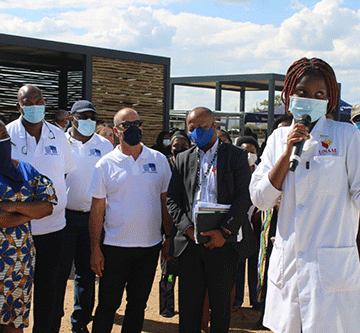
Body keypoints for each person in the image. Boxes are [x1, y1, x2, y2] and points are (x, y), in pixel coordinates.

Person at [250, 57, 360, 333]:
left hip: (331, 268)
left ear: (329, 99)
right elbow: (260, 199)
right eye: (302, 93)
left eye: (319, 94)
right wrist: (287, 153)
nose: (310, 99)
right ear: (289, 95)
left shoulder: (345, 135)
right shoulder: (278, 138)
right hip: (289, 266)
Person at [166, 107, 256, 333]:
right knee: (188, 308)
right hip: (190, 243)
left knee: (220, 307)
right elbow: (172, 199)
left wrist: (224, 232)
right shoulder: (184, 158)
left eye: (202, 127)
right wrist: (186, 228)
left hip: (223, 243)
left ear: (214, 126)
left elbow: (243, 197)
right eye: (192, 129)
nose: (196, 132)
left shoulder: (235, 156)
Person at [88, 107, 172, 333]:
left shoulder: (159, 160)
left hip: (149, 247)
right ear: (116, 131)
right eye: (126, 125)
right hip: (115, 248)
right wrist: (95, 248)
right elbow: (97, 210)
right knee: (107, 304)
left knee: (137, 305)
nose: (133, 129)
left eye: (137, 124)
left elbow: (165, 203)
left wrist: (168, 237)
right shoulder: (105, 164)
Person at [6, 85, 75, 333]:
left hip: (53, 229)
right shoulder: (7, 134)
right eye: (28, 101)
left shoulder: (58, 135)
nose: (35, 105)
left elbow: (64, 171)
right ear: (19, 106)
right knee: (13, 290)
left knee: (50, 290)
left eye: (39, 100)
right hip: (15, 233)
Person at [52, 101, 113, 333]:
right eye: (83, 116)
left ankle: (80, 324)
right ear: (72, 118)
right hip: (64, 219)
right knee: (59, 275)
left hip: (93, 219)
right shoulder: (60, 141)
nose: (88, 121)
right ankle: (53, 322)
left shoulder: (105, 146)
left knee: (87, 275)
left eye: (92, 117)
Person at [0, 120, 57, 333]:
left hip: (19, 264)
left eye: (2, 134)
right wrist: (28, 211)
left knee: (14, 323)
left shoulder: (25, 170)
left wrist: (12, 206)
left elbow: (48, 206)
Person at [233, 136, 262, 311]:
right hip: (239, 225)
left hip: (257, 226)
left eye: (252, 152)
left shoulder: (262, 172)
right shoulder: (235, 172)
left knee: (256, 264)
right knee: (238, 265)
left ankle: (256, 298)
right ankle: (237, 299)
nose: (249, 155)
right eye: (244, 152)